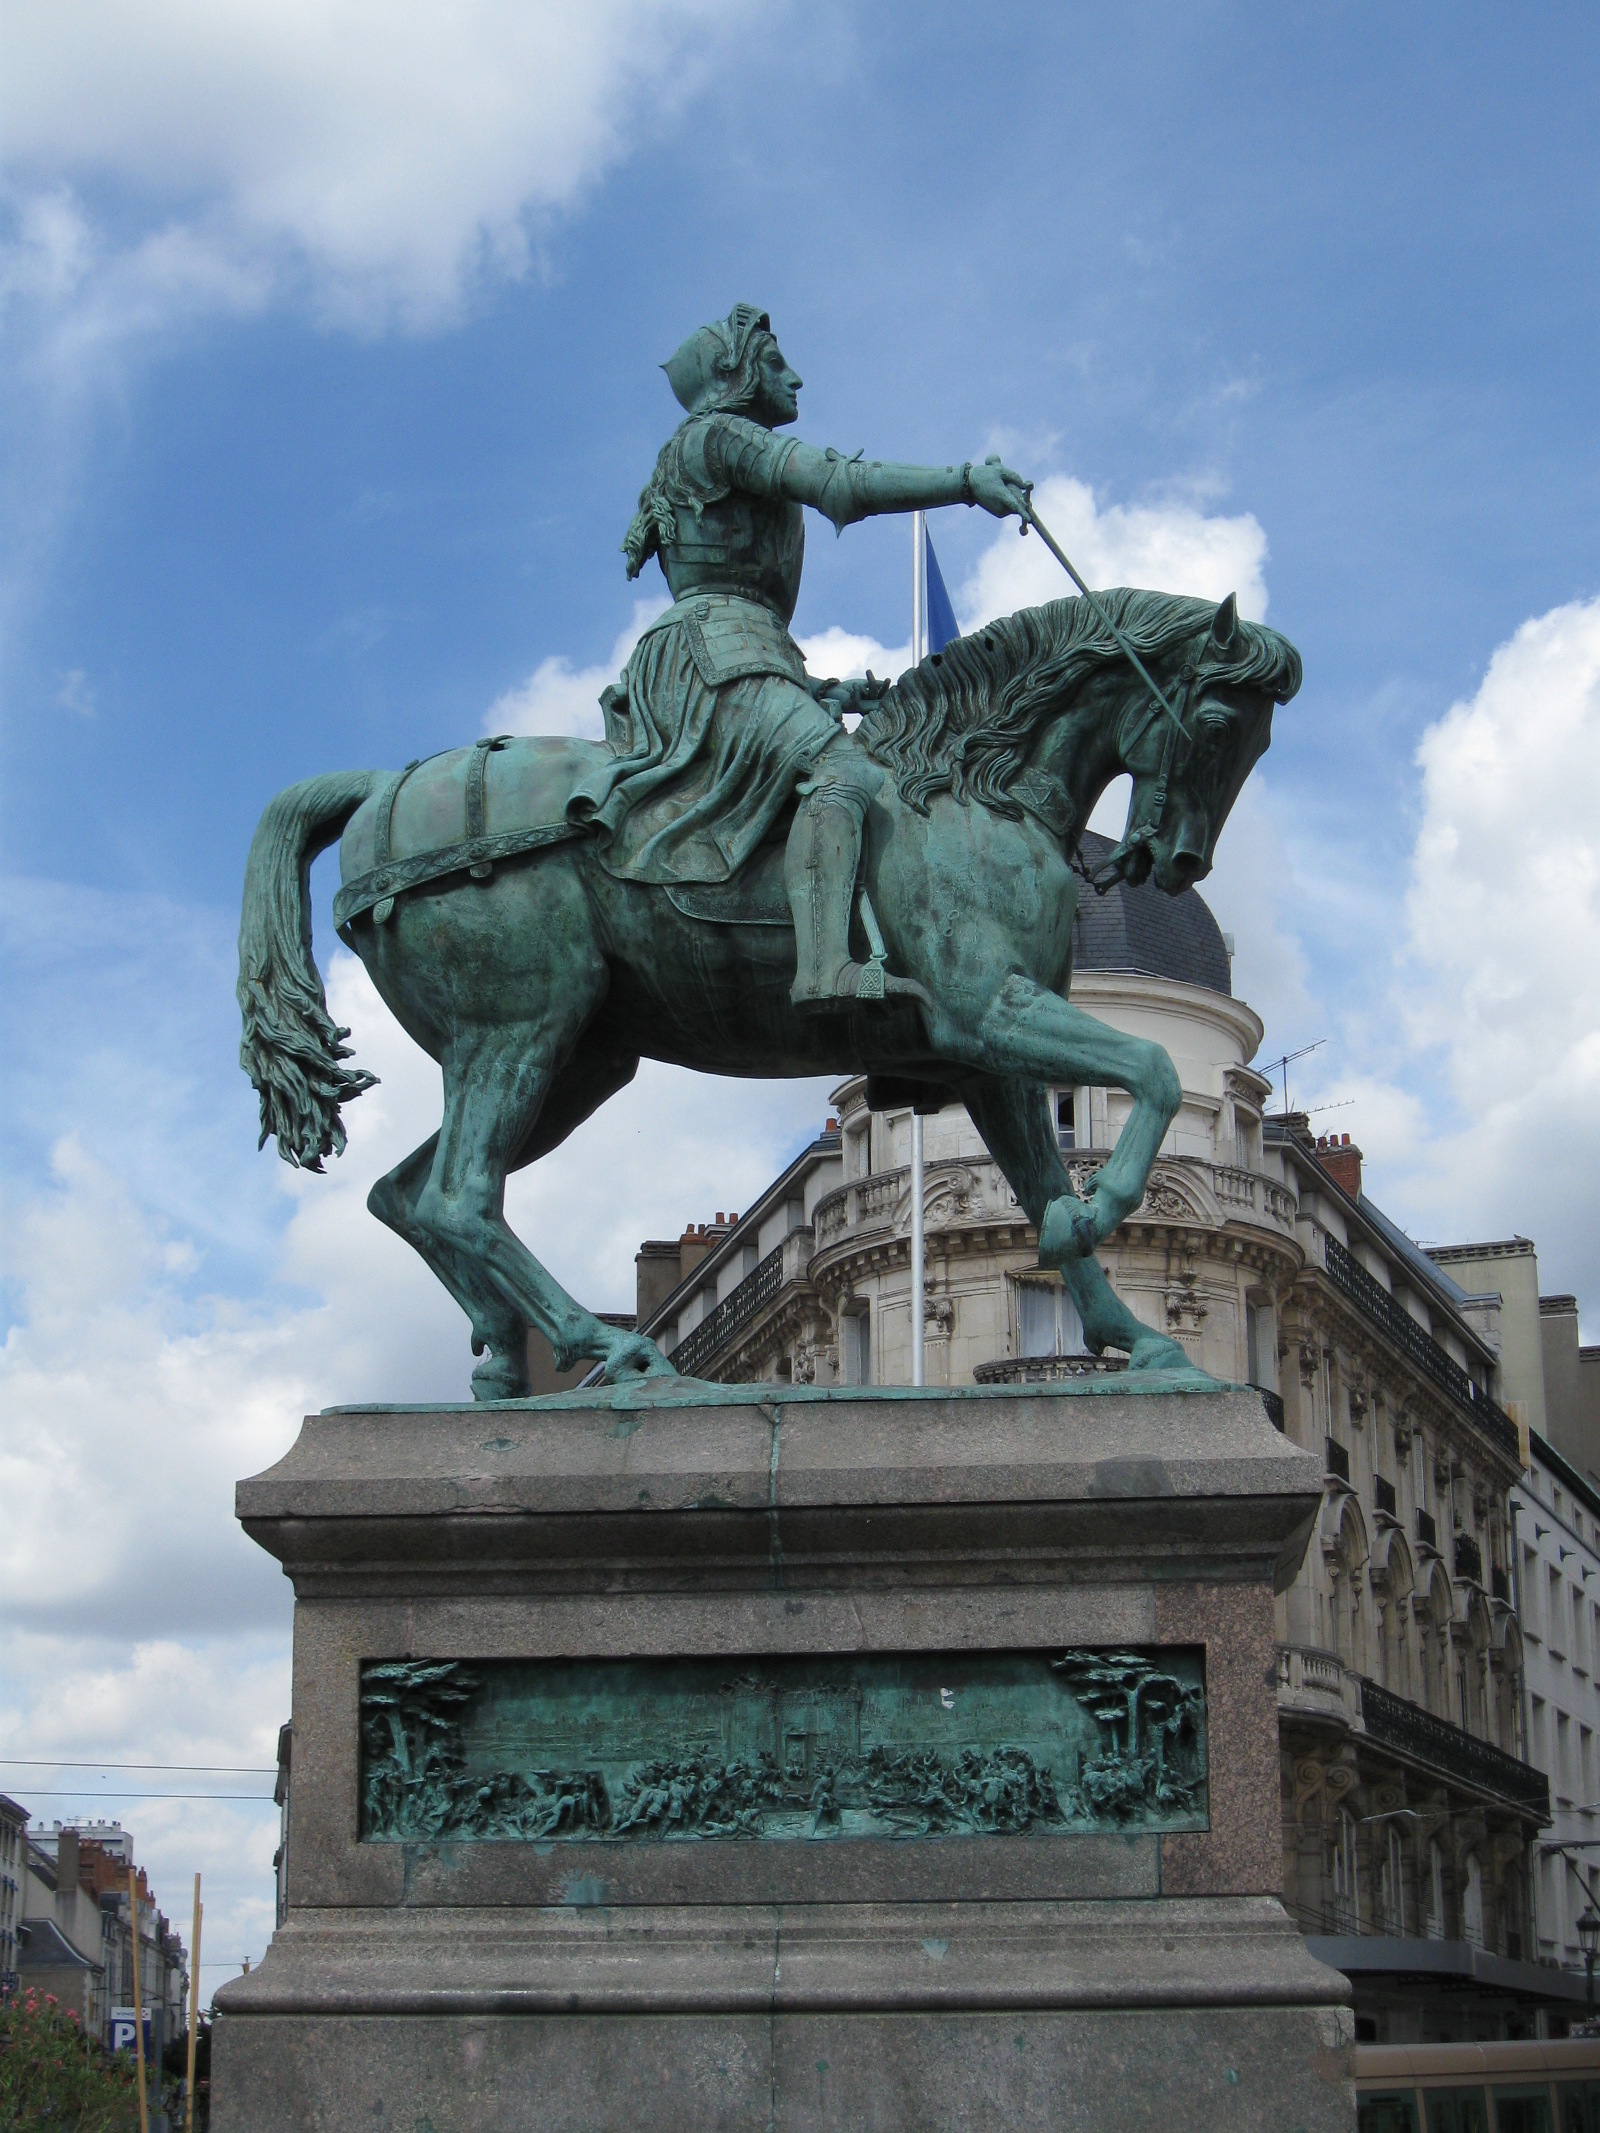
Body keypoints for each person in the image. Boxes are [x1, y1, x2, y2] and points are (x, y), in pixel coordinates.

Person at [567, 304, 1032, 1009]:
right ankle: (824, 970)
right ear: (734, 373)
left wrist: (824, 688)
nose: (796, 379)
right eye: (777, 363)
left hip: (741, 650)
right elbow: (838, 484)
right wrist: (965, 483)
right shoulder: (722, 436)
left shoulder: (705, 448)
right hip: (716, 652)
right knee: (840, 769)